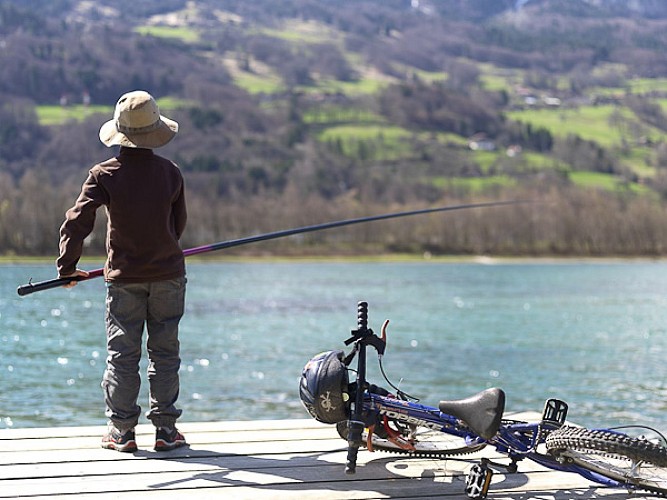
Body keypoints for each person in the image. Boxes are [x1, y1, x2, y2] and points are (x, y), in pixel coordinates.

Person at [56, 90, 188, 453]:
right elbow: (178, 225)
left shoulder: (104, 174)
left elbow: (76, 220)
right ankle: (165, 431)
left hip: (124, 280)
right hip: (168, 276)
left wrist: (68, 267)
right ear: (155, 131)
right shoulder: (171, 173)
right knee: (165, 352)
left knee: (122, 355)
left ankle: (122, 433)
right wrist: (161, 251)